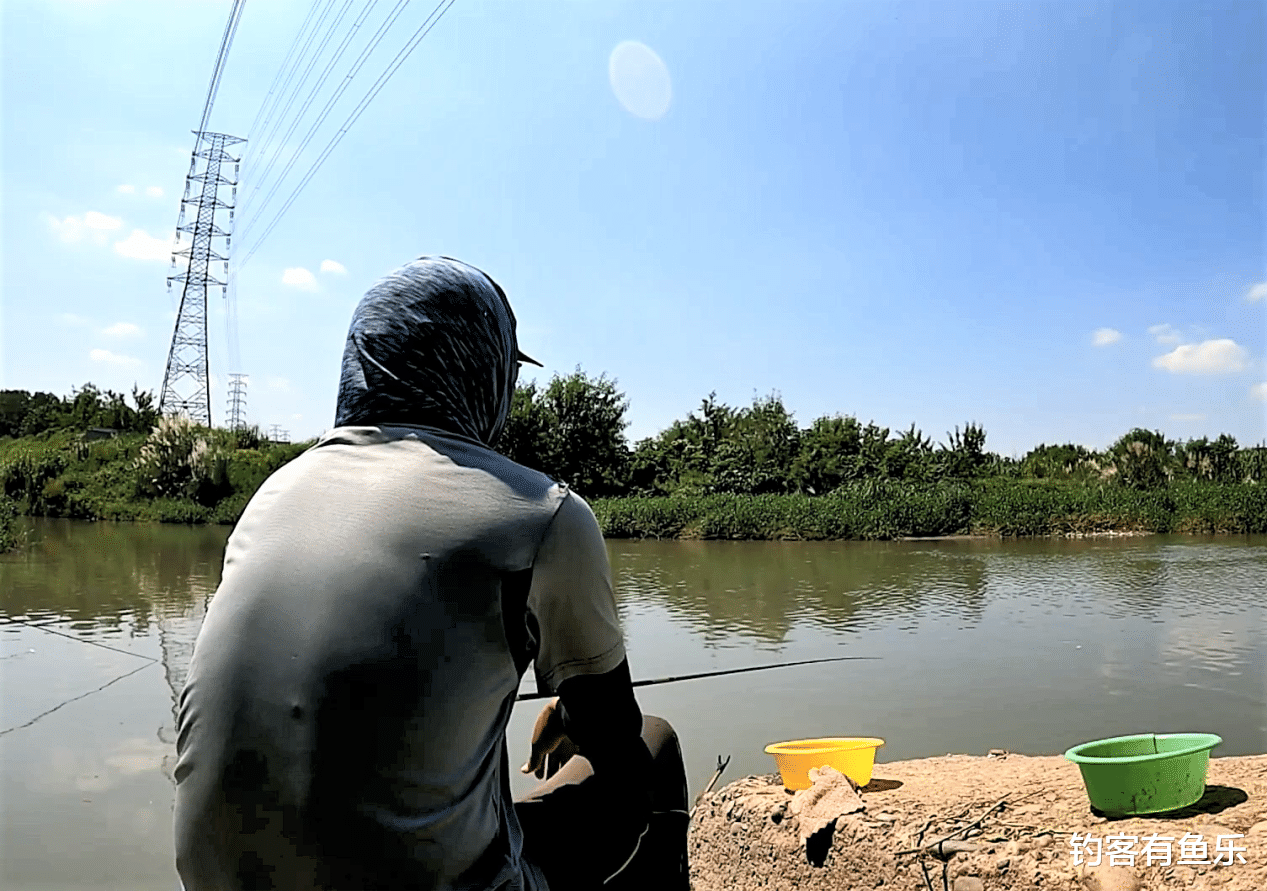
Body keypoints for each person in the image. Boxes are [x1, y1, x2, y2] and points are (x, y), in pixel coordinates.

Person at [173, 256, 688, 891]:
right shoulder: (542, 511)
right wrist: (573, 712)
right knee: (655, 747)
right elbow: (614, 733)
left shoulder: (274, 494)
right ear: (486, 372)